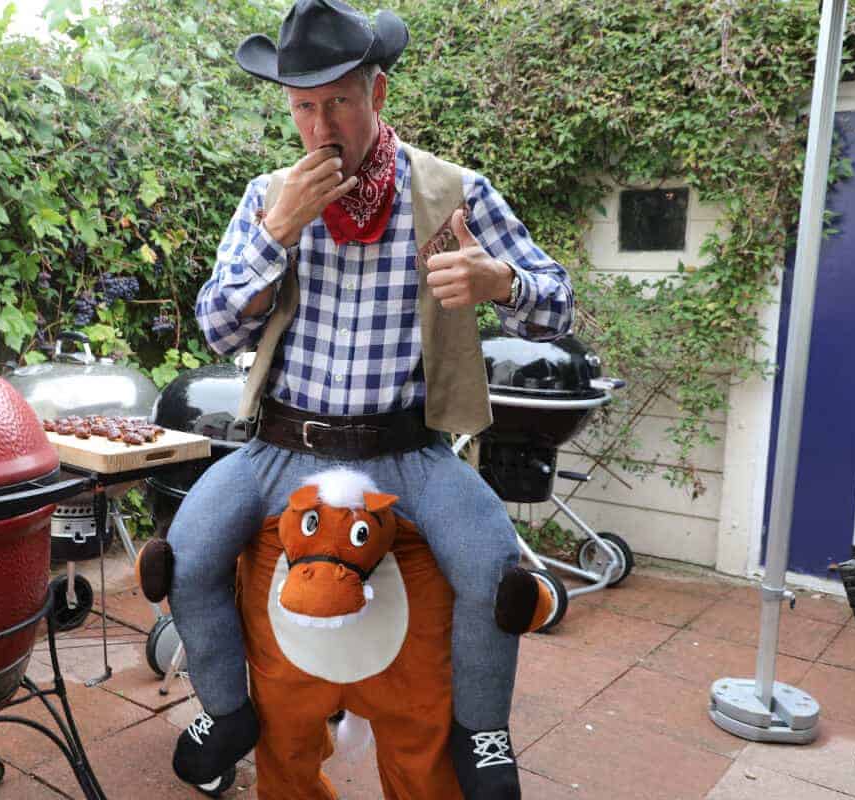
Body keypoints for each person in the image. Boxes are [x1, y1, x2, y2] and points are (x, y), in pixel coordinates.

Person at [165, 1, 573, 797]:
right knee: (186, 555)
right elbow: (215, 330)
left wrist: (502, 282)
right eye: (304, 108)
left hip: (409, 450)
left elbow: (556, 304)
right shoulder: (266, 198)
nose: (321, 127)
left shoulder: (454, 192)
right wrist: (273, 235)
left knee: (494, 568)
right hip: (280, 449)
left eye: (339, 102)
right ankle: (226, 711)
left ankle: (483, 732)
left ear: (376, 95)